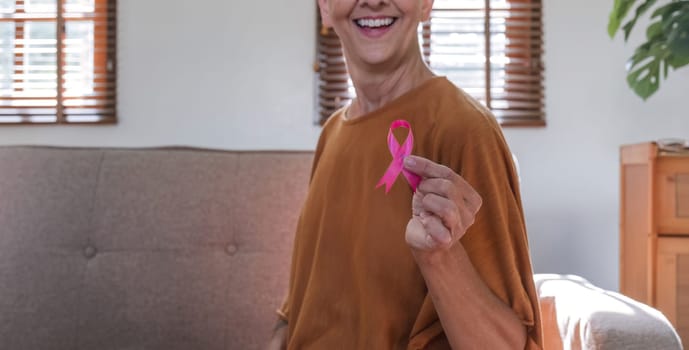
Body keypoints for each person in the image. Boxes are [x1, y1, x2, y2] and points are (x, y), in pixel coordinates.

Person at [267, 0, 543, 348]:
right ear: (325, 7)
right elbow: (298, 310)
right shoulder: (332, 133)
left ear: (426, 4)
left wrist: (439, 256)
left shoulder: (466, 130)